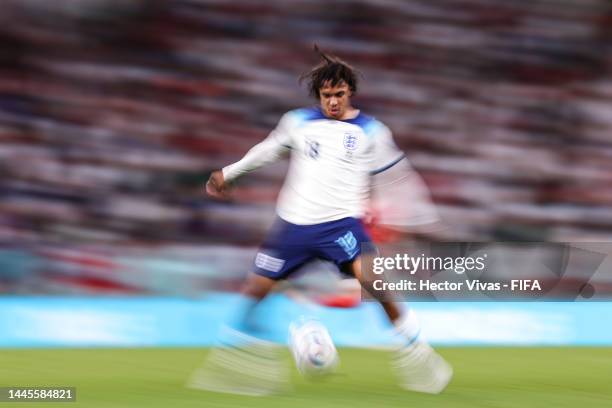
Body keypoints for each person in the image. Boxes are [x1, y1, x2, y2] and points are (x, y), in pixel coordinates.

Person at [197, 45, 452, 395]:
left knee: (376, 283)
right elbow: (266, 151)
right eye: (327, 95)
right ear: (318, 95)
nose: (333, 101)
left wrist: (422, 219)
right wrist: (228, 173)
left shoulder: (371, 131)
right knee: (256, 290)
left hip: (341, 225)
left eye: (339, 94)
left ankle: (418, 355)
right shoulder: (298, 122)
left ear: (351, 93)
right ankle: (238, 364)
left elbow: (397, 177)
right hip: (293, 225)